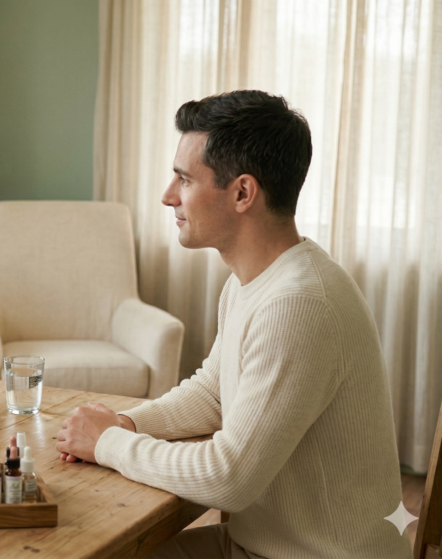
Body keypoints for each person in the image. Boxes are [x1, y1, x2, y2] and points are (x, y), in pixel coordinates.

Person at [55, 90, 412, 558]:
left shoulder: (299, 303)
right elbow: (214, 394)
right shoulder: (253, 281)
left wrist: (108, 442)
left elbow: (228, 479)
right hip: (260, 546)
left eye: (184, 179)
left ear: (243, 193)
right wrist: (126, 422)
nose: (168, 196)